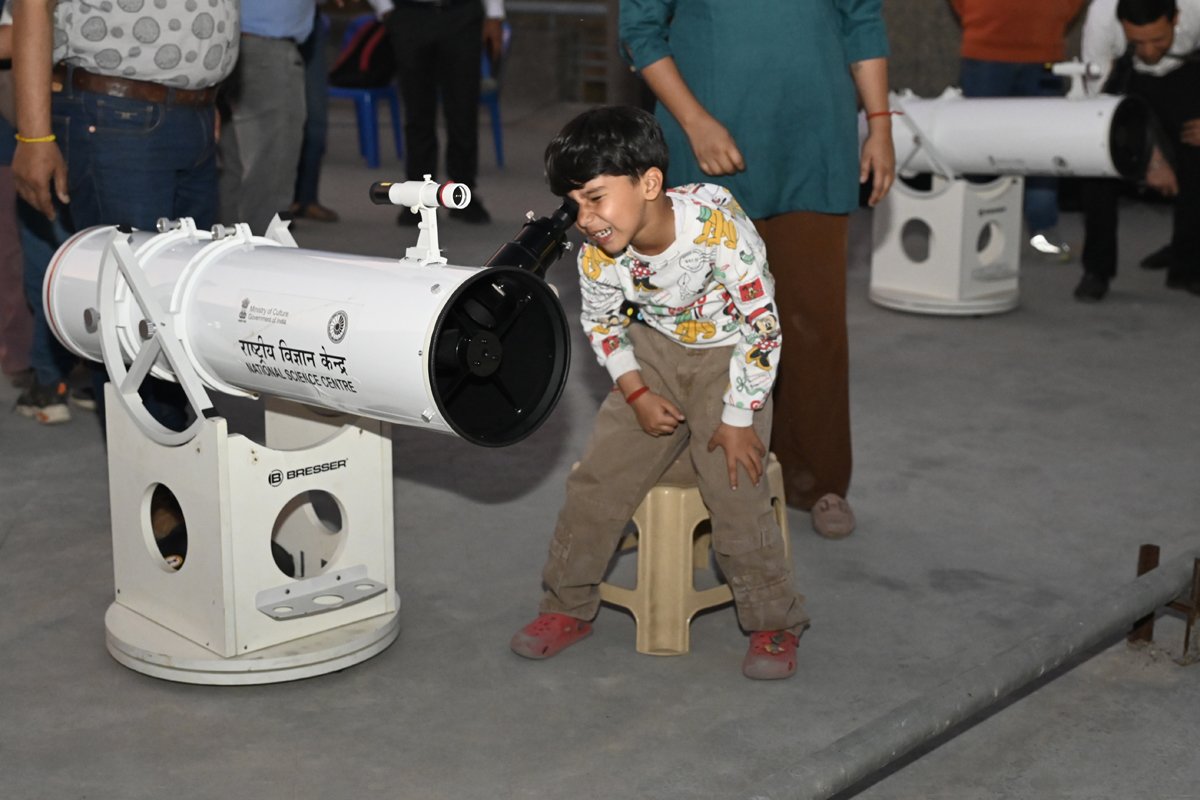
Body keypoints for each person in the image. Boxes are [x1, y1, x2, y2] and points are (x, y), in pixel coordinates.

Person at [509, 106, 809, 680]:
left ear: (649, 183)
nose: (585, 219)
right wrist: (637, 392)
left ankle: (775, 621)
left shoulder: (718, 233)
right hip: (653, 352)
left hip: (732, 357)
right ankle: (566, 606)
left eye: (595, 198)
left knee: (734, 488)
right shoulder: (598, 252)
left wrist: (738, 418)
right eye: (573, 204)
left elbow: (763, 328)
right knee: (595, 483)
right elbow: (602, 324)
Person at [619, 1, 894, 539]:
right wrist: (694, 122)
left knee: (813, 321)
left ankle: (817, 479)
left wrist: (880, 125)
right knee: (700, 327)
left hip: (815, 142)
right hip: (707, 142)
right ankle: (694, 484)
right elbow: (640, 30)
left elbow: (862, 19)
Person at [10, 0, 240, 429]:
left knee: (185, 296)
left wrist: (204, 95)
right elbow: (33, 7)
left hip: (193, 112)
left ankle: (178, 442)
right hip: (117, 114)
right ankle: (153, 459)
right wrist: (34, 136)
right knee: (131, 307)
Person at [1075, 0, 1200, 300]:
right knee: (1099, 164)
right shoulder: (1102, 17)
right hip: (1124, 79)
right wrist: (1151, 158)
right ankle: (1097, 270)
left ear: (1176, 17)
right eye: (1138, 41)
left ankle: (1186, 262)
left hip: (1185, 71)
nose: (1148, 51)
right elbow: (1099, 104)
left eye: (1158, 40)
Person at [951, 0, 1088, 259]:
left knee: (1044, 150)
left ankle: (1043, 233)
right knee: (977, 149)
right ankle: (974, 236)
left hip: (1044, 51)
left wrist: (1057, 14)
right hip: (985, 50)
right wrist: (976, 11)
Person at [369, 0, 504, 225]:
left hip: (462, 14)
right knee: (417, 110)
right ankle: (418, 196)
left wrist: (494, 13)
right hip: (411, 14)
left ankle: (462, 192)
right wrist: (384, 9)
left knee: (463, 108)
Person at [219, 1, 315, 235]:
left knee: (232, 168)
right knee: (272, 170)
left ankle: (227, 249)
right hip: (267, 47)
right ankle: (260, 251)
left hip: (227, 41)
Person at [290, 6, 340, 224]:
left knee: (316, 120)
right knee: (279, 122)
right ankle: (282, 201)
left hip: (310, 20)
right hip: (267, 25)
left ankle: (307, 198)